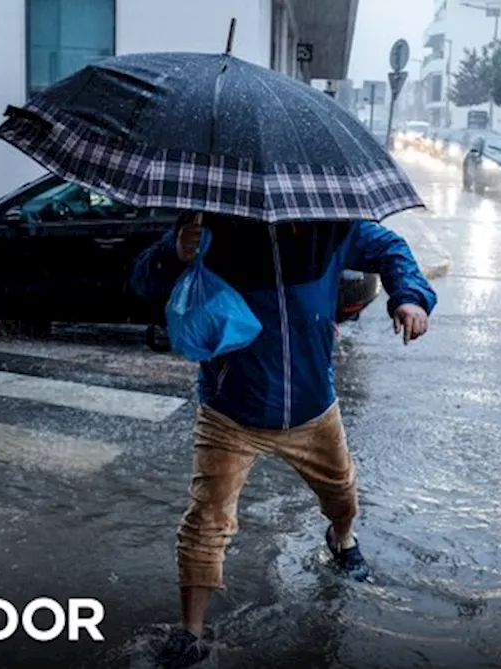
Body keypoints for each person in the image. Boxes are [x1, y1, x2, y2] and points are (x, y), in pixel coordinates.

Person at [131, 211, 437, 668]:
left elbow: (390, 248)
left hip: (313, 407)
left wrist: (409, 297)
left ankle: (343, 539)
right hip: (230, 409)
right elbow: (143, 281)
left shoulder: (329, 226)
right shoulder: (208, 222)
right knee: (206, 522)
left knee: (342, 493)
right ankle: (190, 633)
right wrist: (176, 252)